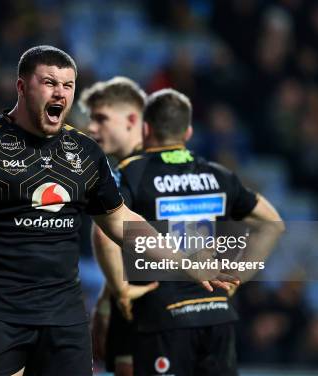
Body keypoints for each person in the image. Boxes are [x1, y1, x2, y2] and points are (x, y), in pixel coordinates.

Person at [0, 45, 224, 376]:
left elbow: (122, 220)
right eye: (50, 83)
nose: (61, 93)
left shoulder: (84, 152)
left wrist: (186, 263)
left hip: (64, 318)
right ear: (22, 87)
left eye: (68, 85)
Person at [98, 88, 284, 376]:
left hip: (163, 315)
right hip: (216, 313)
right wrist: (239, 276)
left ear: (146, 129)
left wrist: (120, 289)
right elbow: (273, 224)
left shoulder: (130, 173)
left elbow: (105, 232)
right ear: (187, 132)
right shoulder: (218, 174)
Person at [78, 76, 145, 376]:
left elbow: (107, 239)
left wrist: (117, 295)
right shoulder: (176, 166)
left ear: (131, 119)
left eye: (101, 119)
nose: (92, 128)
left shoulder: (128, 175)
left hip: (141, 304)